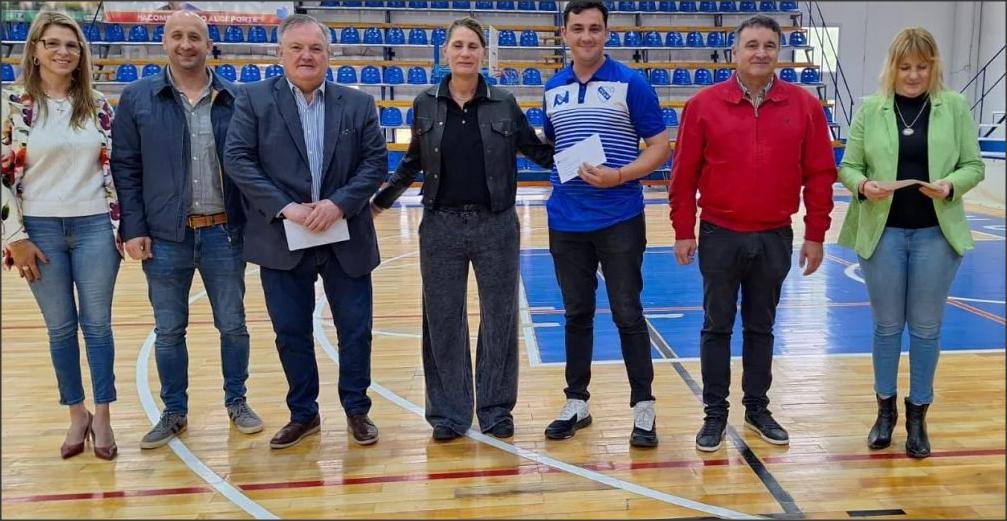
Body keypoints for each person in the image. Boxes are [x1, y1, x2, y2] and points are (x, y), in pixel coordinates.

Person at [371, 17, 554, 441]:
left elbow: (536, 151)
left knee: (500, 318)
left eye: (473, 45)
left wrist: (580, 147)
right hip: (440, 227)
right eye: (458, 45)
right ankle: (449, 414)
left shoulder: (505, 102)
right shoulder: (424, 103)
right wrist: (381, 201)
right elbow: (413, 161)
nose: (466, 52)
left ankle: (494, 408)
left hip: (496, 225)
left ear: (483, 54)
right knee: (442, 320)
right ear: (446, 52)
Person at [669, 14, 837, 452]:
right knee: (716, 327)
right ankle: (714, 414)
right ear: (735, 53)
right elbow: (683, 175)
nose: (760, 53)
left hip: (775, 235)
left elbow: (820, 174)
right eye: (751, 45)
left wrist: (816, 232)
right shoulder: (703, 105)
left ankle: (758, 408)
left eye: (768, 45)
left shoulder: (804, 106)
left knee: (761, 328)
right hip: (720, 233)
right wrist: (683, 230)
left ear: (778, 52)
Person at [224, 14, 387, 449]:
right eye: (296, 48)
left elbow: (375, 163)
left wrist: (337, 204)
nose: (306, 56)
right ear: (281, 54)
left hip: (345, 235)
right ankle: (304, 413)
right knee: (290, 332)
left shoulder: (358, 104)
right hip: (282, 238)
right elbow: (238, 160)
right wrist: (288, 208)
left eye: (315, 48)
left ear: (328, 55)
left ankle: (357, 409)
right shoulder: (254, 100)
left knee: (355, 329)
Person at [111, 10, 262, 449]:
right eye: (177, 35)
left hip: (224, 233)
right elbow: (125, 167)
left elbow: (251, 164)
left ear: (208, 43)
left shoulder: (236, 97)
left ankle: (237, 401)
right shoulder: (138, 98)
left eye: (194, 36)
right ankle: (174, 411)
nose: (186, 44)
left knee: (233, 325)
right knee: (169, 329)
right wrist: (134, 227)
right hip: (164, 236)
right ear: (165, 42)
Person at [836, 27, 984, 459]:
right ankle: (884, 413)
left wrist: (950, 185)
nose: (914, 75)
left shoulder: (953, 107)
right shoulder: (871, 109)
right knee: (885, 327)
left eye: (922, 67)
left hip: (936, 234)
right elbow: (848, 166)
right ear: (892, 67)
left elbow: (973, 165)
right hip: (883, 233)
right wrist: (864, 186)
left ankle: (918, 415)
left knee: (925, 329)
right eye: (905, 67)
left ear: (933, 66)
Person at [541, 0, 671, 448]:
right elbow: (554, 147)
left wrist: (620, 175)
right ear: (565, 34)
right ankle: (577, 401)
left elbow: (659, 146)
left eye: (595, 29)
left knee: (627, 313)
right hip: (566, 220)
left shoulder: (631, 83)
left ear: (606, 34)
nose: (586, 37)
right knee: (576, 313)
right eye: (578, 28)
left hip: (619, 217)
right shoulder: (553, 87)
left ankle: (643, 405)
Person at [1, 11, 120, 460]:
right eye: (52, 43)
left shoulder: (99, 105)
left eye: (71, 45)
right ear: (35, 49)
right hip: (38, 233)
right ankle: (77, 413)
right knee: (60, 330)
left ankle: (104, 414)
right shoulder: (11, 105)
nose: (62, 52)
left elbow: (114, 171)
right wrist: (14, 235)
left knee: (99, 328)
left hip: (93, 226)